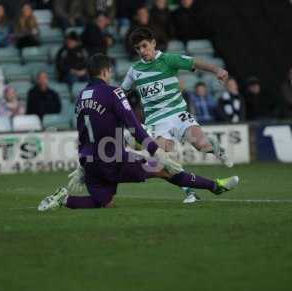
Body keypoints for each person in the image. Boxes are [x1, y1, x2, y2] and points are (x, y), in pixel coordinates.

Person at [37, 54, 239, 211]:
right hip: (113, 160)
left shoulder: (81, 96)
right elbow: (134, 127)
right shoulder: (113, 92)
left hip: (90, 161)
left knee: (103, 203)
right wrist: (156, 152)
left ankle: (64, 198)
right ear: (106, 71)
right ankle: (215, 186)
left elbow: (82, 132)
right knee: (164, 169)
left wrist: (83, 163)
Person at [121, 27, 232, 204]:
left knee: (201, 145)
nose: (142, 51)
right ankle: (190, 192)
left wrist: (217, 70)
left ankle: (214, 148)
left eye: (144, 46)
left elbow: (194, 62)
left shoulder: (168, 59)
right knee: (166, 162)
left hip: (178, 114)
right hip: (157, 122)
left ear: (153, 43)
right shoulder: (135, 70)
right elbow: (122, 92)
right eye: (138, 48)